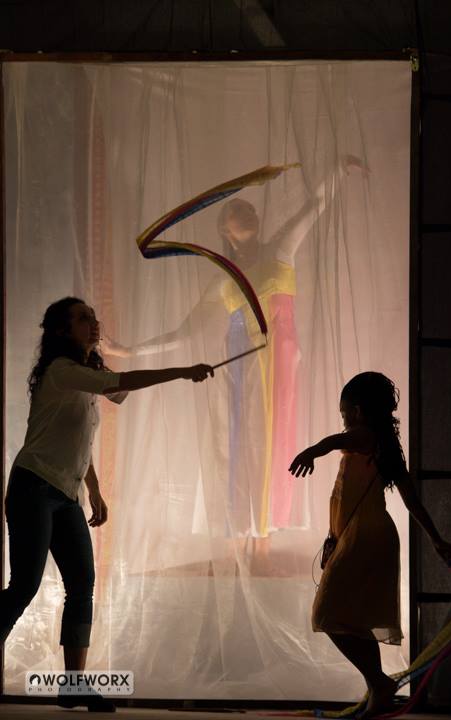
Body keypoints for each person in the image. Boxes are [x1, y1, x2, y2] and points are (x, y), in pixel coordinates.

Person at [103, 158, 364, 570]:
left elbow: (311, 209)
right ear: (225, 230)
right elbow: (185, 332)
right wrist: (131, 351)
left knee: (269, 441)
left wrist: (338, 171)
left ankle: (262, 542)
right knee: (235, 444)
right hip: (239, 364)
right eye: (236, 211)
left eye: (249, 209)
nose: (247, 212)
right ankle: (236, 540)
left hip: (276, 362)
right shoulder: (223, 277)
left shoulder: (279, 250)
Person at [1, 296, 213, 712]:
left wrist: (94, 490)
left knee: (82, 586)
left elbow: (80, 439)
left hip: (66, 493)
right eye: (83, 319)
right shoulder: (61, 371)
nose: (93, 323)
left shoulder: (84, 378)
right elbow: (121, 382)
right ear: (62, 330)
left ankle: (73, 687)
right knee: (25, 586)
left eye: (93, 317)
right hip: (34, 486)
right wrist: (183, 371)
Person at [288, 371, 451, 719]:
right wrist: (435, 539)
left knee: (326, 613)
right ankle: (377, 688)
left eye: (345, 413)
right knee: (355, 617)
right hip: (367, 535)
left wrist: (312, 451)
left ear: (359, 412)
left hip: (365, 536)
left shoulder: (364, 436)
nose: (344, 421)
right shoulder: (383, 445)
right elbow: (408, 501)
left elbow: (335, 441)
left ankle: (379, 682)